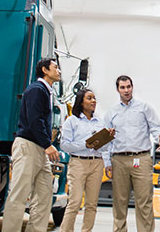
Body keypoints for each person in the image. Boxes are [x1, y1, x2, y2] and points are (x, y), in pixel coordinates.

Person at [3, 58, 62, 232]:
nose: (58, 71)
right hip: (28, 146)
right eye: (55, 67)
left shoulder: (46, 91)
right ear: (44, 70)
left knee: (44, 197)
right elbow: (34, 119)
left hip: (39, 150)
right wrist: (48, 144)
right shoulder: (37, 90)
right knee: (19, 196)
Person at [102, 75, 160, 232]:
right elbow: (106, 141)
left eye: (128, 87)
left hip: (141, 159)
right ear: (117, 89)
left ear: (132, 87)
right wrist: (107, 163)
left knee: (144, 201)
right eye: (122, 88)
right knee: (119, 201)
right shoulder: (111, 113)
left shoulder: (144, 108)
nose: (126, 90)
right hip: (119, 160)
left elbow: (156, 127)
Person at [58, 88, 110, 232]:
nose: (93, 101)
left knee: (92, 204)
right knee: (74, 202)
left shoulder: (100, 122)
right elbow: (65, 145)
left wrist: (106, 139)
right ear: (81, 102)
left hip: (96, 164)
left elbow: (105, 149)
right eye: (89, 98)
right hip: (78, 163)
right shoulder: (72, 121)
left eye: (94, 98)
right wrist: (84, 145)